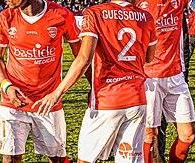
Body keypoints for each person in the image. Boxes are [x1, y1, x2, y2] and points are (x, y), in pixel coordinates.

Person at [32, 0, 157, 162]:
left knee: (85, 159)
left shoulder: (95, 13)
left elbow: (84, 59)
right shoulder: (146, 16)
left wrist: (57, 93)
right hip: (137, 98)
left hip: (106, 100)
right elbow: (150, 57)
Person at [0, 0, 91, 162]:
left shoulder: (62, 15)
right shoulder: (5, 17)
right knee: (10, 158)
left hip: (48, 103)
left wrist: (95, 87)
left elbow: (82, 58)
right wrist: (7, 86)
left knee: (57, 158)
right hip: (13, 102)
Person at [137, 0, 195, 163]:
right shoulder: (139, 3)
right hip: (149, 78)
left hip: (176, 76)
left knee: (189, 135)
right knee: (150, 133)